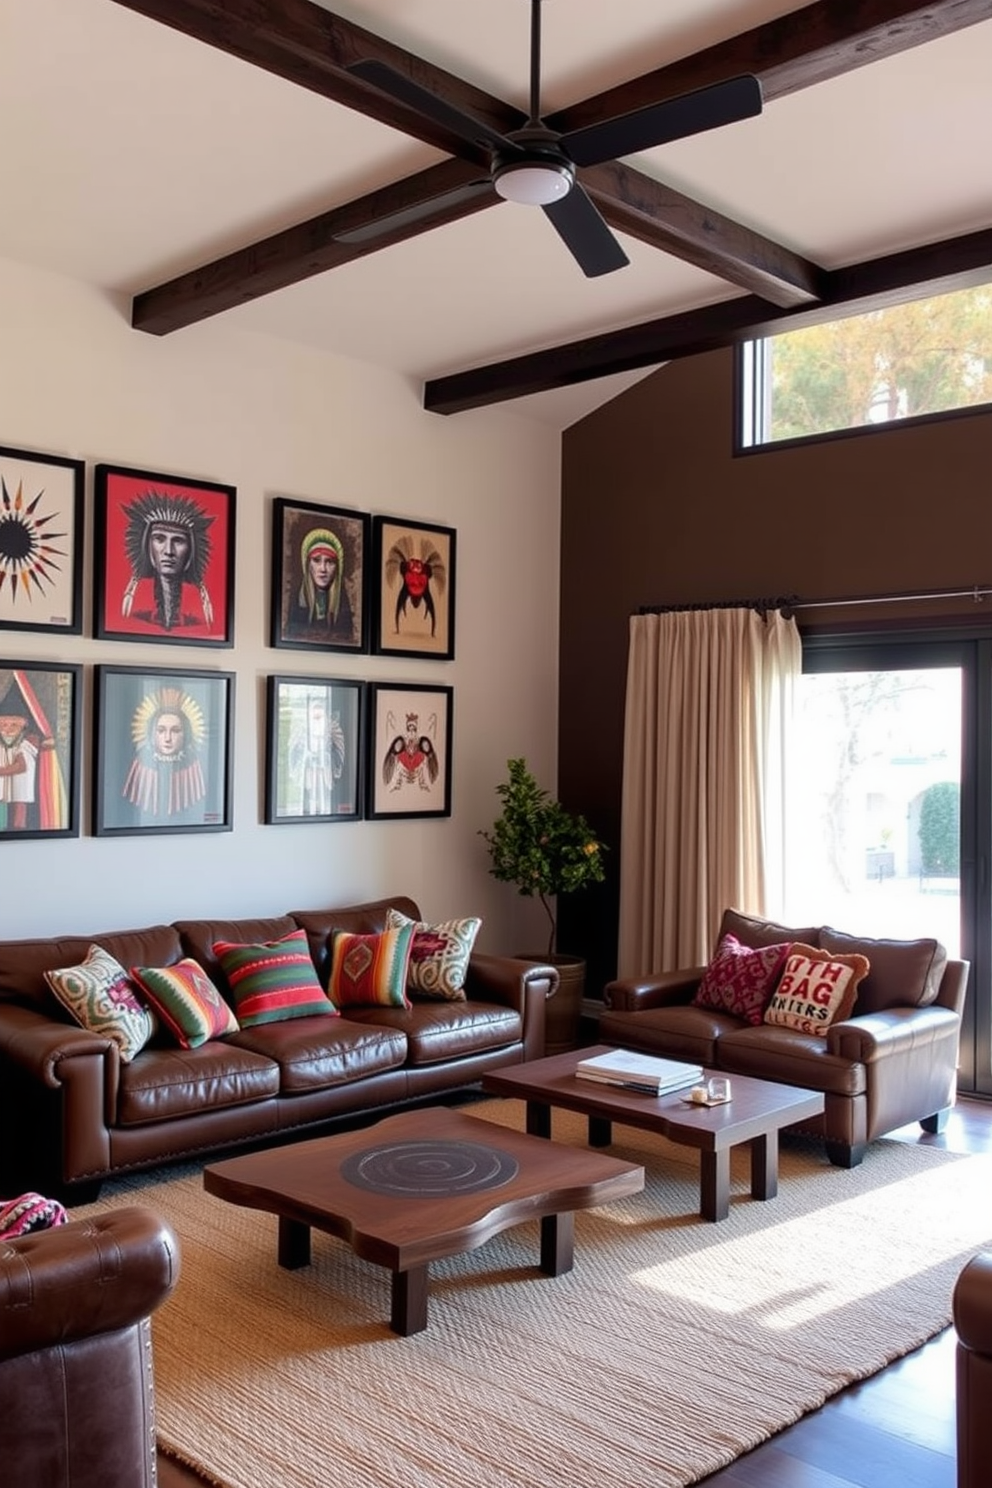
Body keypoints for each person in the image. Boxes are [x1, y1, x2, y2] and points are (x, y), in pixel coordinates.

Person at [121, 492, 215, 632]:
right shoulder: (135, 617)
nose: (169, 551)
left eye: (178, 541)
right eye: (159, 539)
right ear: (146, 544)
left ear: (191, 549)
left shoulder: (197, 622)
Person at [122, 689, 207, 819]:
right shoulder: (142, 761)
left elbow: (199, 803)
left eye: (175, 731)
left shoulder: (191, 762)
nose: (167, 738)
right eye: (161, 731)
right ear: (152, 733)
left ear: (186, 734)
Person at [286, 526, 354, 642]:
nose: (323, 569)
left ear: (338, 567)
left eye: (330, 562)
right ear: (307, 564)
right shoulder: (297, 602)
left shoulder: (343, 606)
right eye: (316, 560)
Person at [0, 714, 38, 830]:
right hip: (4, 787)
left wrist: (2, 771)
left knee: (19, 808)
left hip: (19, 786)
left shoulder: (25, 745)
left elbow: (21, 766)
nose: (8, 729)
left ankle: (18, 828)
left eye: (14, 725)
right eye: (3, 725)